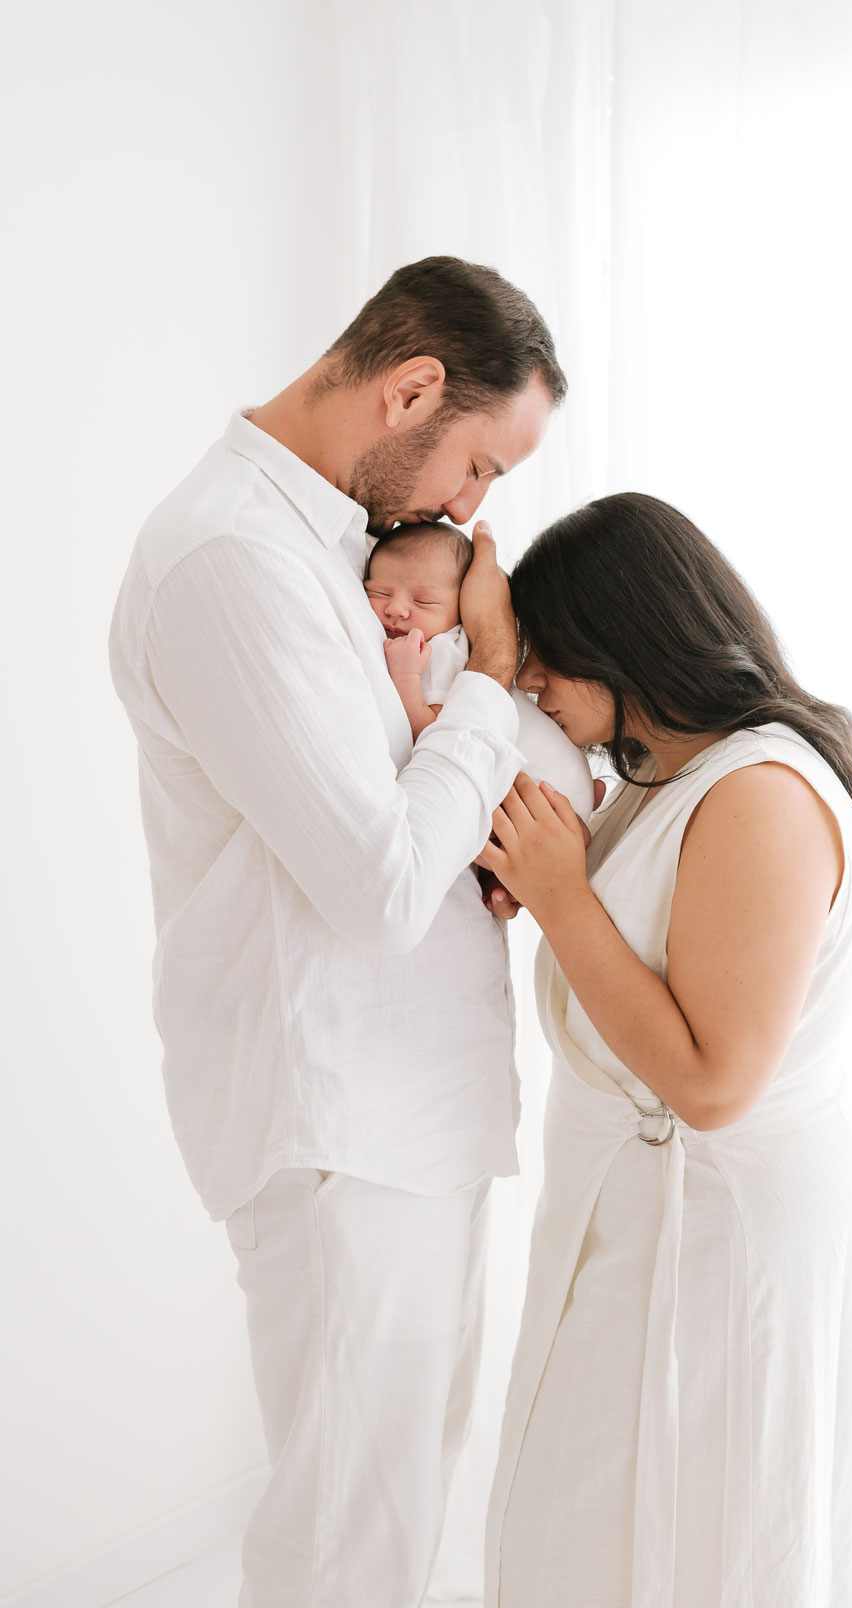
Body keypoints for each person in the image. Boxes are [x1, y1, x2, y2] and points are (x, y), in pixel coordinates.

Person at [108, 256, 566, 1608]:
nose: (471, 516)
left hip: (403, 1114)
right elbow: (373, 887)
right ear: (409, 389)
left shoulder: (329, 550)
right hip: (336, 1124)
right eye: (476, 467)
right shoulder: (231, 558)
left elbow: (401, 833)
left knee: (396, 1519)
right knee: (346, 1555)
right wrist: (484, 674)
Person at [478, 493, 852, 1608]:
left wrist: (563, 899)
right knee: (601, 1522)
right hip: (653, 1216)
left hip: (726, 1229)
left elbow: (713, 1082)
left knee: (708, 1526)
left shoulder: (756, 794)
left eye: (544, 665)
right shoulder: (664, 778)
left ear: (621, 640)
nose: (533, 693)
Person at [364, 524, 595, 816]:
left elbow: (434, 733)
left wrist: (405, 676)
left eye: (422, 601)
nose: (396, 608)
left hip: (544, 793)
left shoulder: (444, 649)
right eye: (378, 592)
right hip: (566, 785)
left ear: (461, 605)